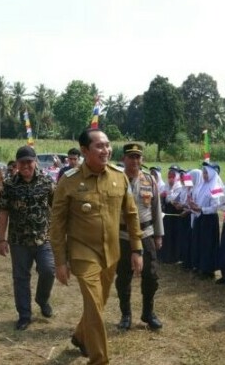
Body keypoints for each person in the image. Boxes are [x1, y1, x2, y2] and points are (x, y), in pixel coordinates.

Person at [49, 128, 143, 365]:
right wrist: (60, 261)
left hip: (111, 253)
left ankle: (81, 337)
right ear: (84, 151)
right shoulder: (68, 181)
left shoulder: (118, 177)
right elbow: (57, 225)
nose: (106, 150)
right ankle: (99, 359)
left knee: (97, 303)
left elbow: (131, 215)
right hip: (82, 252)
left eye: (107, 145)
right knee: (94, 304)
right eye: (99, 146)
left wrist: (137, 249)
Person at [0, 145, 55, 331]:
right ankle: (24, 315)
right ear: (17, 164)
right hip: (18, 241)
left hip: (43, 239)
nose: (26, 166)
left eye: (29, 162)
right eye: (22, 163)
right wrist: (1, 239)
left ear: (35, 161)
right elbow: (3, 212)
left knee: (48, 271)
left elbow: (56, 208)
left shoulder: (47, 182)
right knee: (21, 278)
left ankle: (42, 299)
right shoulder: (9, 184)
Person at [115, 143, 164, 330]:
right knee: (123, 277)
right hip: (123, 235)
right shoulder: (116, 180)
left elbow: (156, 208)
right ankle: (125, 315)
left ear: (142, 159)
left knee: (151, 276)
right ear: (123, 159)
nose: (135, 160)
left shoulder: (149, 180)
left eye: (138, 157)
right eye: (131, 157)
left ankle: (148, 313)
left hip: (146, 234)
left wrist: (159, 234)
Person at [189, 164, 221, 279]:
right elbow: (197, 198)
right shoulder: (201, 185)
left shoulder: (216, 187)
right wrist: (193, 204)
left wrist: (201, 209)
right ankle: (198, 266)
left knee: (208, 244)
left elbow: (215, 207)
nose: (204, 175)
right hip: (199, 217)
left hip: (209, 220)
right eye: (203, 173)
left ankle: (207, 269)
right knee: (198, 242)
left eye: (206, 173)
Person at [157, 165, 181, 264]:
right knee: (165, 233)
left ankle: (172, 257)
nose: (170, 177)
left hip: (174, 215)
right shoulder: (166, 185)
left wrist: (167, 195)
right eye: (169, 175)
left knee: (173, 234)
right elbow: (161, 195)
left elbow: (173, 199)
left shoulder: (179, 186)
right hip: (166, 213)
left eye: (173, 175)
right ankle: (164, 255)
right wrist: (165, 195)